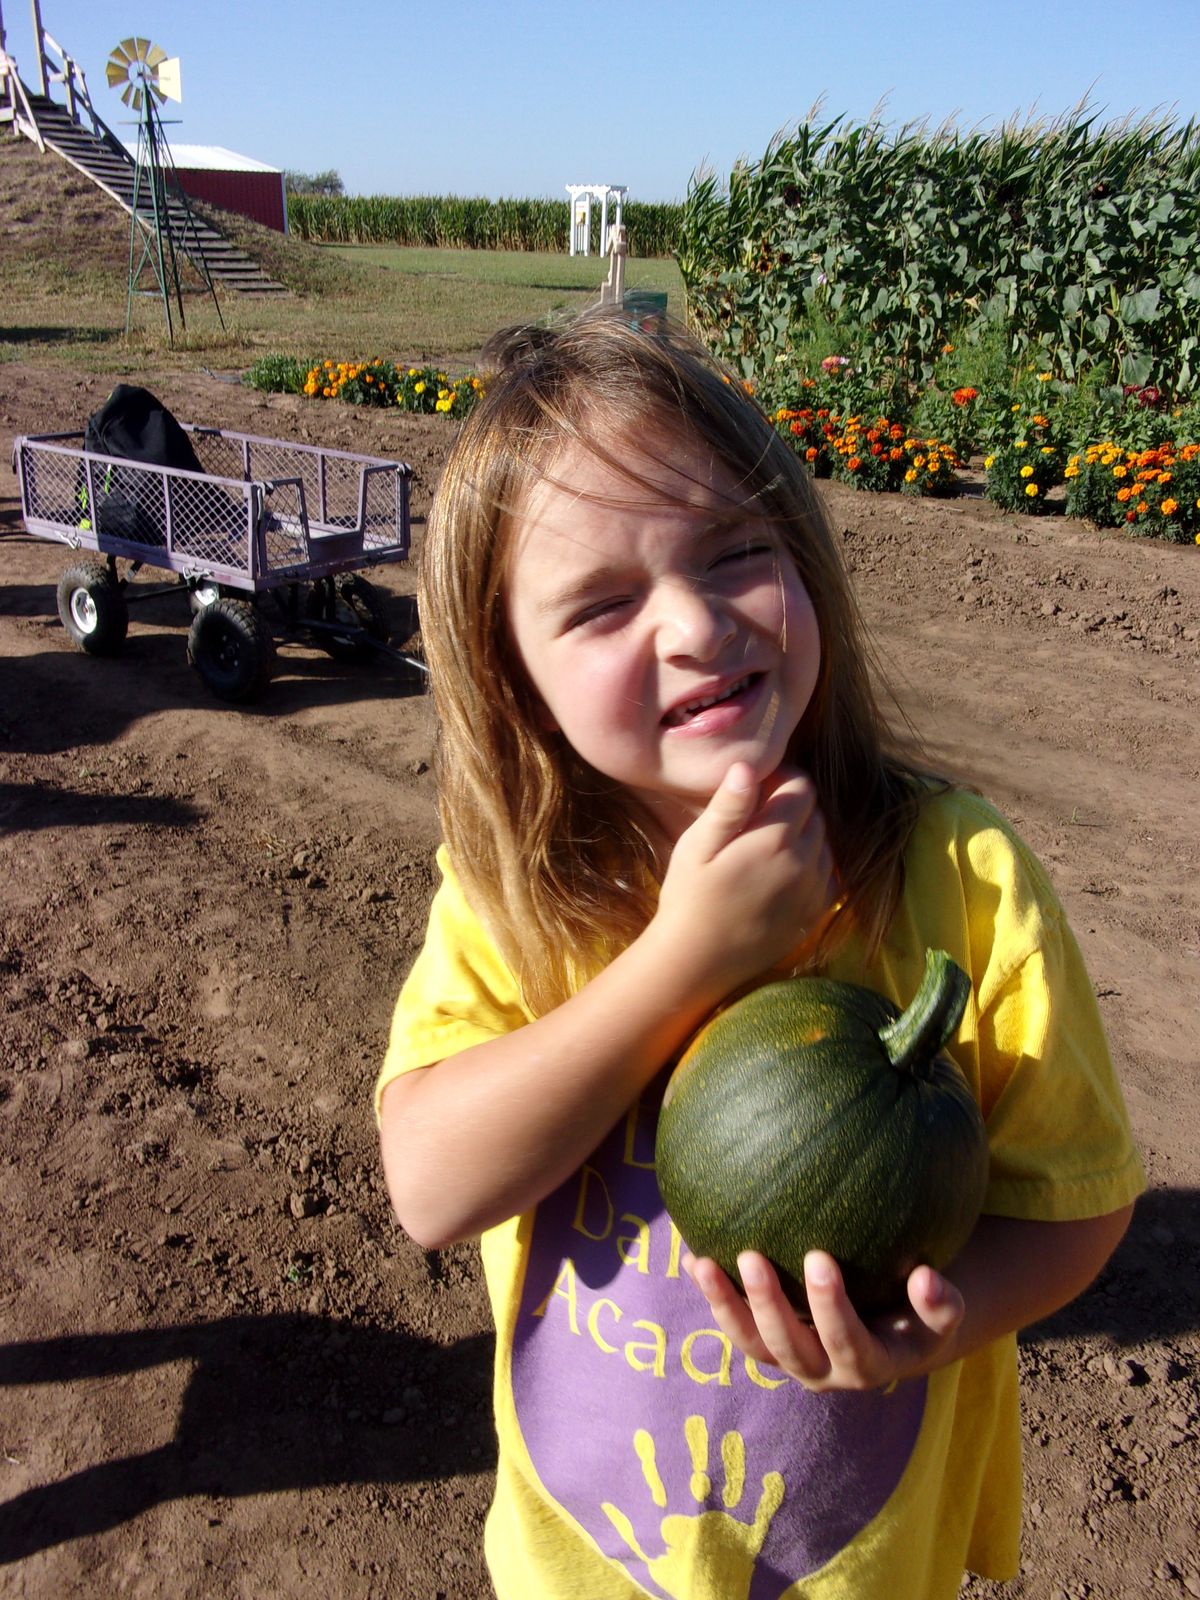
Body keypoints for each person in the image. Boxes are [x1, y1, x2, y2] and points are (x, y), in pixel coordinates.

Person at [376, 309, 1144, 1600]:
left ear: (803, 558)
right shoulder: (523, 898)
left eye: (735, 552)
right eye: (602, 605)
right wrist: (685, 958)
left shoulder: (956, 875)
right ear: (515, 680)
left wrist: (929, 1330)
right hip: (583, 1573)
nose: (693, 625)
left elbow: (1078, 1203)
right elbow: (430, 1185)